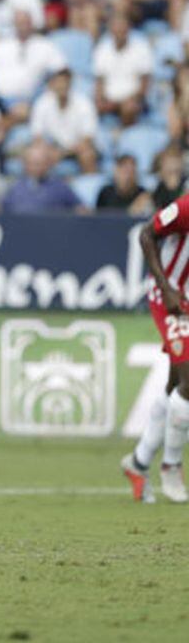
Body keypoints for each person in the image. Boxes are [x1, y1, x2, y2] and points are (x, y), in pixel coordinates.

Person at [123, 193, 189, 504]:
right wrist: (167, 287)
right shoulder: (186, 207)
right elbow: (146, 233)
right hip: (171, 298)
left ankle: (138, 463)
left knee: (175, 384)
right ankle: (171, 465)